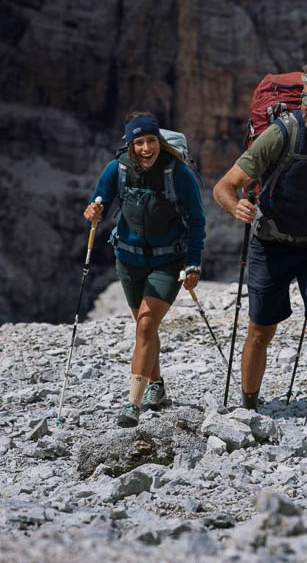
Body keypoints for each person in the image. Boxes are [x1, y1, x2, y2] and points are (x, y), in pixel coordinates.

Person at [213, 59, 307, 424]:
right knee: (261, 331)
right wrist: (238, 209)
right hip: (271, 243)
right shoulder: (280, 134)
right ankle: (248, 408)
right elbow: (223, 187)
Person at [84, 112, 206, 428]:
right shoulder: (117, 170)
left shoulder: (178, 173)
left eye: (151, 140)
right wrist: (92, 212)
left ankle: (132, 404)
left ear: (159, 142)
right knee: (145, 326)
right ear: (131, 144)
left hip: (168, 262)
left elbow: (196, 220)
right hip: (128, 261)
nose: (146, 148)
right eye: (139, 142)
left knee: (145, 326)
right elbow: (97, 205)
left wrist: (193, 262)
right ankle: (157, 385)